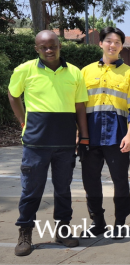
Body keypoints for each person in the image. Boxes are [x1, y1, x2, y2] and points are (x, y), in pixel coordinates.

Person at [8, 30, 89, 256]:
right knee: (31, 191)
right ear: (37, 49)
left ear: (59, 45)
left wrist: (83, 136)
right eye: (43, 47)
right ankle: (25, 233)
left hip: (64, 144)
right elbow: (13, 96)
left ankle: (62, 231)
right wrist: (24, 122)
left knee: (63, 190)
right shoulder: (25, 69)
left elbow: (80, 106)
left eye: (52, 46)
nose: (49, 50)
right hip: (36, 144)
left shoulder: (74, 73)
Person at [79, 27, 130, 239]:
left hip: (118, 136)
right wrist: (78, 134)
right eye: (108, 41)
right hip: (90, 135)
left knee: (120, 181)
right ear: (101, 44)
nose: (112, 45)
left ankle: (120, 223)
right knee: (90, 182)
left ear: (122, 47)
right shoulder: (85, 72)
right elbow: (77, 106)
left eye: (117, 42)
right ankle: (97, 222)